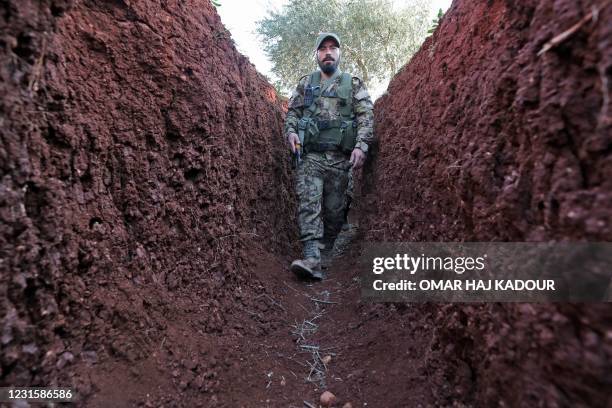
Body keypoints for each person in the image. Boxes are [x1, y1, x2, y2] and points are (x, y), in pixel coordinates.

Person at [284, 32, 374, 280]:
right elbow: (292, 112)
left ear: (339, 53)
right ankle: (311, 256)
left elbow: (366, 117)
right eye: (323, 48)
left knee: (335, 212)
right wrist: (291, 132)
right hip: (311, 157)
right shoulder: (306, 84)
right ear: (317, 54)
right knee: (309, 204)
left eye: (333, 48)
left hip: (340, 161)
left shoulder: (353, 84)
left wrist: (361, 146)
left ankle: (326, 248)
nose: (328, 52)